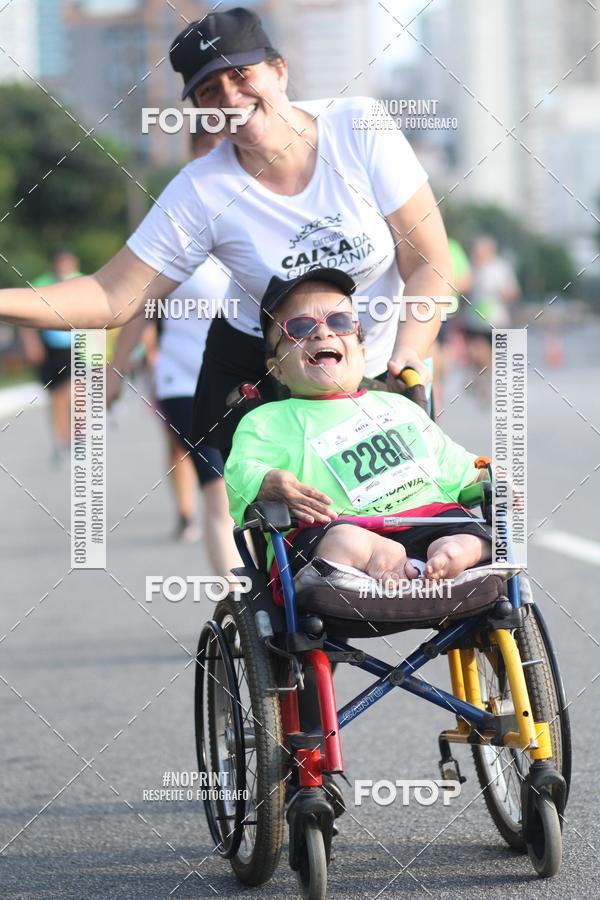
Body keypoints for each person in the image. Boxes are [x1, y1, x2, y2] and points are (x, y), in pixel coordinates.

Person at [0, 7, 453, 464]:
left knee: (414, 518)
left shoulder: (359, 127)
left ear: (279, 69)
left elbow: (428, 262)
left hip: (381, 362)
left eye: (241, 74)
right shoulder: (201, 189)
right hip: (261, 370)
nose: (230, 98)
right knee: (305, 523)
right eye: (208, 91)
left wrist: (409, 353)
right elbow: (109, 294)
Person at [224, 267, 491, 586]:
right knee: (341, 540)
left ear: (362, 352)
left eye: (339, 322)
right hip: (337, 533)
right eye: (299, 327)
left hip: (426, 519)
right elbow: (239, 471)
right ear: (276, 369)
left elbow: (457, 464)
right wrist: (265, 480)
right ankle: (380, 555)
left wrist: (488, 470)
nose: (323, 334)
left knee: (473, 531)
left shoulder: (399, 407)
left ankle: (453, 550)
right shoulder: (266, 420)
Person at [108, 130, 241, 575]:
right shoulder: (175, 225)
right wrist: (114, 371)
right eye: (209, 149)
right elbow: (137, 303)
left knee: (266, 496)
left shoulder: (262, 221)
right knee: (220, 494)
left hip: (253, 380)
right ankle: (246, 620)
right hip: (186, 383)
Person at [19, 249, 82, 462]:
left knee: (74, 393)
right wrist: (31, 343)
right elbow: (25, 316)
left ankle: (76, 437)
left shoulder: (82, 283)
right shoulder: (42, 283)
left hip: (75, 347)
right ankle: (62, 439)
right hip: (50, 348)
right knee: (57, 396)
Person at [461, 234, 520, 387]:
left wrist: (504, 293)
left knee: (489, 354)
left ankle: (486, 376)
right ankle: (481, 375)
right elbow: (461, 289)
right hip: (473, 320)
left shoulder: (500, 268)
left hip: (495, 320)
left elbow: (514, 291)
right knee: (476, 351)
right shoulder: (470, 267)